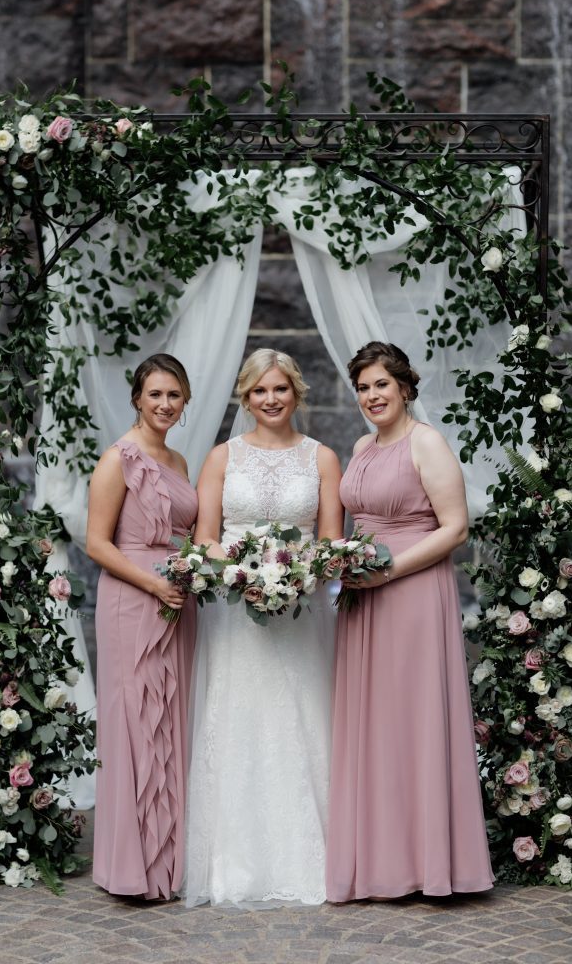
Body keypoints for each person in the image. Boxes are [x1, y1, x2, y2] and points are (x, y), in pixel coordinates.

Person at [326, 341, 494, 901]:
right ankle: (381, 861)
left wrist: (388, 570)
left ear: (404, 388)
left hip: (413, 591)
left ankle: (428, 864)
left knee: (414, 719)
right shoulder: (361, 446)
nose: (372, 395)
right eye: (364, 387)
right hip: (364, 595)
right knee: (375, 724)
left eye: (381, 385)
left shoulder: (427, 443)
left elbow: (455, 528)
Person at [185, 348, 343, 907]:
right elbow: (204, 535)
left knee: (303, 715)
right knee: (240, 719)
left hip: (301, 611)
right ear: (244, 398)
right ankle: (236, 865)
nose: (270, 400)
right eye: (259, 391)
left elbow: (329, 539)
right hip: (235, 612)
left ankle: (313, 858)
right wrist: (240, 575)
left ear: (296, 392)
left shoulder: (322, 458)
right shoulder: (221, 457)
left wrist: (301, 577)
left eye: (279, 389)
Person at [87, 354, 198, 900]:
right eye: (155, 394)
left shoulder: (178, 460)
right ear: (137, 397)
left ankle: (168, 862)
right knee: (134, 723)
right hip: (134, 600)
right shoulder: (117, 459)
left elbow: (190, 533)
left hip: (179, 600)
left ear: (186, 401)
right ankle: (130, 866)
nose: (164, 404)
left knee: (170, 722)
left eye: (174, 395)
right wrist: (154, 584)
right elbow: (97, 543)